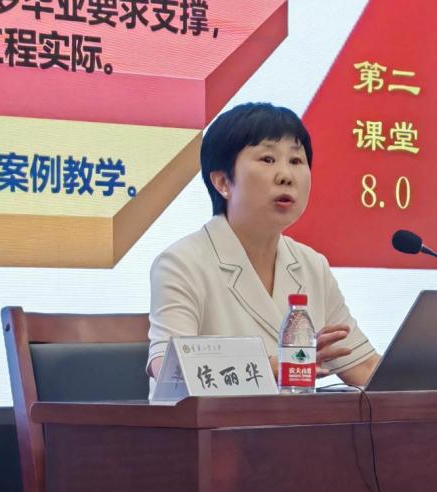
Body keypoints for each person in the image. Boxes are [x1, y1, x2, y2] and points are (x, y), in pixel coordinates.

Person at [147, 102, 380, 387]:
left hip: (294, 417)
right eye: (268, 159)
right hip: (213, 418)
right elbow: (169, 369)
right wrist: (271, 367)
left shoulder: (311, 265)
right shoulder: (182, 262)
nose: (286, 176)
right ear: (222, 182)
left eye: (296, 161)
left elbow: (364, 367)